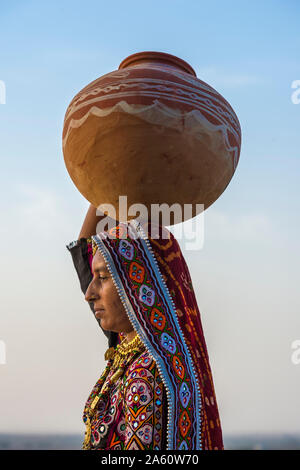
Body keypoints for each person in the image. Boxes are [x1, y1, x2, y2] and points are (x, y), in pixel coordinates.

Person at [66, 204, 223, 450]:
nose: (89, 293)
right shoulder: (131, 351)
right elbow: (87, 252)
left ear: (137, 285)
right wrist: (106, 187)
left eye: (103, 277)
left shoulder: (145, 374)